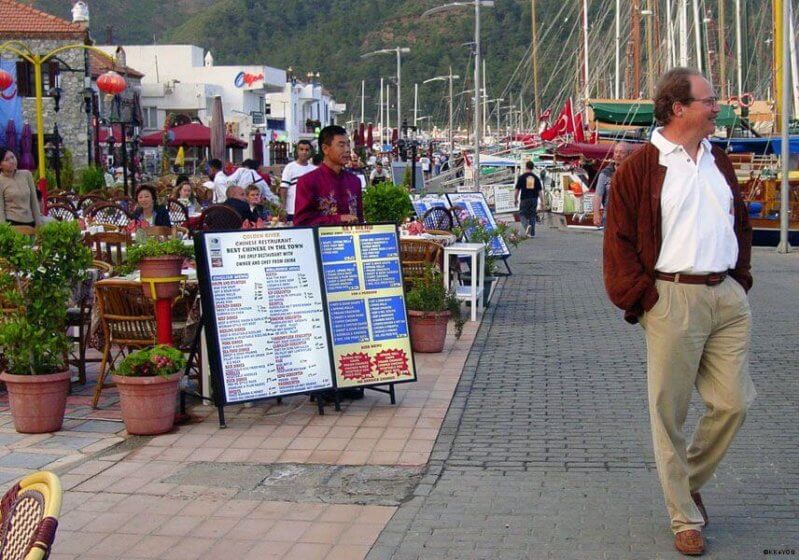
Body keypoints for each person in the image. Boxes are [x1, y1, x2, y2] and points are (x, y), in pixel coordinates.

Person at [603, 68, 755, 557]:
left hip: (727, 297)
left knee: (734, 402)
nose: (718, 108)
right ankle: (683, 516)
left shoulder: (718, 159)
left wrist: (740, 280)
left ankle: (685, 480)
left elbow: (739, 222)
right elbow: (619, 242)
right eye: (710, 101)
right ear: (678, 108)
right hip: (672, 297)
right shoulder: (640, 168)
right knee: (669, 412)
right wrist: (643, 299)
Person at [294, 125, 363, 226]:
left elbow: (359, 218)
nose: (347, 150)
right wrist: (338, 219)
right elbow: (301, 222)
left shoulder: (355, 181)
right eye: (341, 145)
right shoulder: (307, 181)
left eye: (348, 145)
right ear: (325, 149)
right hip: (321, 240)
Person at [0, 147, 43, 227]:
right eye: (6, 160)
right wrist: (4, 231)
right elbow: (0, 209)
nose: (12, 161)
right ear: (0, 165)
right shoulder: (1, 180)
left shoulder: (27, 174)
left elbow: (34, 201)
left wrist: (38, 223)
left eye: (12, 157)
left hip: (30, 221)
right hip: (12, 224)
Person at [593, 142, 632, 228]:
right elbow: (598, 195)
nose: (618, 155)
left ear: (628, 154)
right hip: (609, 216)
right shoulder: (605, 174)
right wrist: (596, 214)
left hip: (629, 217)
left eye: (622, 152)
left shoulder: (633, 173)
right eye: (616, 152)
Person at [280, 140, 316, 222]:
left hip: (309, 211)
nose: (304, 152)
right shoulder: (289, 168)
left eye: (307, 150)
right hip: (292, 210)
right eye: (301, 149)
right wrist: (283, 207)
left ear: (310, 152)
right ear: (297, 151)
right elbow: (284, 188)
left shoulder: (314, 170)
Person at [513, 160, 542, 237]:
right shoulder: (536, 178)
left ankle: (527, 226)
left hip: (524, 198)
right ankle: (532, 233)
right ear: (532, 168)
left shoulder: (522, 177)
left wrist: (515, 199)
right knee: (532, 215)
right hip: (534, 199)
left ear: (526, 167)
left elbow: (517, 190)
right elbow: (540, 191)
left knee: (522, 214)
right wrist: (542, 202)